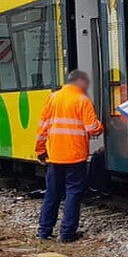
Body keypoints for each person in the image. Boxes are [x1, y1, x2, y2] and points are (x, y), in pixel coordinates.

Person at [35, 70, 104, 242]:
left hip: (55, 156)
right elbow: (92, 128)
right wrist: (102, 126)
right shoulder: (83, 100)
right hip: (75, 156)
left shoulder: (53, 98)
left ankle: (44, 231)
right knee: (73, 192)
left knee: (52, 193)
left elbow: (42, 127)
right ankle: (67, 233)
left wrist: (40, 150)